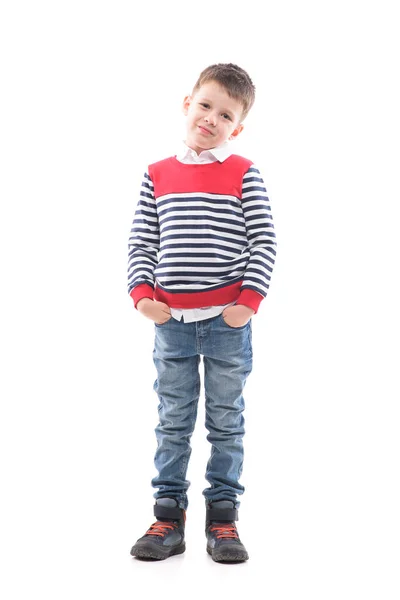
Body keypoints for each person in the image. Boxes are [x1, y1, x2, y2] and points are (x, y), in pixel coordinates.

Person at [127, 63, 277, 563]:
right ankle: (168, 516)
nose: (211, 118)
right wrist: (142, 294)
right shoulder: (157, 174)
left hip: (226, 324)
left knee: (226, 421)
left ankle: (224, 518)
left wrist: (246, 304)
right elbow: (142, 241)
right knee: (173, 419)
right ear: (187, 103)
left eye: (225, 114)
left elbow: (264, 241)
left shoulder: (243, 172)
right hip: (170, 323)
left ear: (238, 126)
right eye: (205, 104)